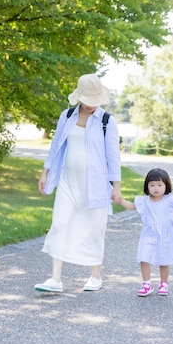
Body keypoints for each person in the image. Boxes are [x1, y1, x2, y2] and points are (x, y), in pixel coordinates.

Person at [35, 73, 122, 293]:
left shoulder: (106, 121)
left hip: (95, 185)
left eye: (95, 100)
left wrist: (117, 187)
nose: (92, 105)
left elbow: (114, 156)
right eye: (88, 100)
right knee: (60, 223)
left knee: (94, 229)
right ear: (79, 97)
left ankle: (95, 276)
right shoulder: (67, 116)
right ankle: (55, 279)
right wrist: (45, 172)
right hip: (68, 182)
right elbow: (55, 146)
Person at [116, 168, 173, 297]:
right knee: (144, 257)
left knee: (164, 259)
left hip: (165, 235)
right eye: (152, 185)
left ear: (166, 186)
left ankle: (164, 283)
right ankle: (146, 283)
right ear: (147, 186)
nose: (155, 188)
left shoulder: (170, 200)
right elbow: (132, 206)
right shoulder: (144, 201)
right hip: (149, 233)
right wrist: (121, 201)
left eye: (159, 185)